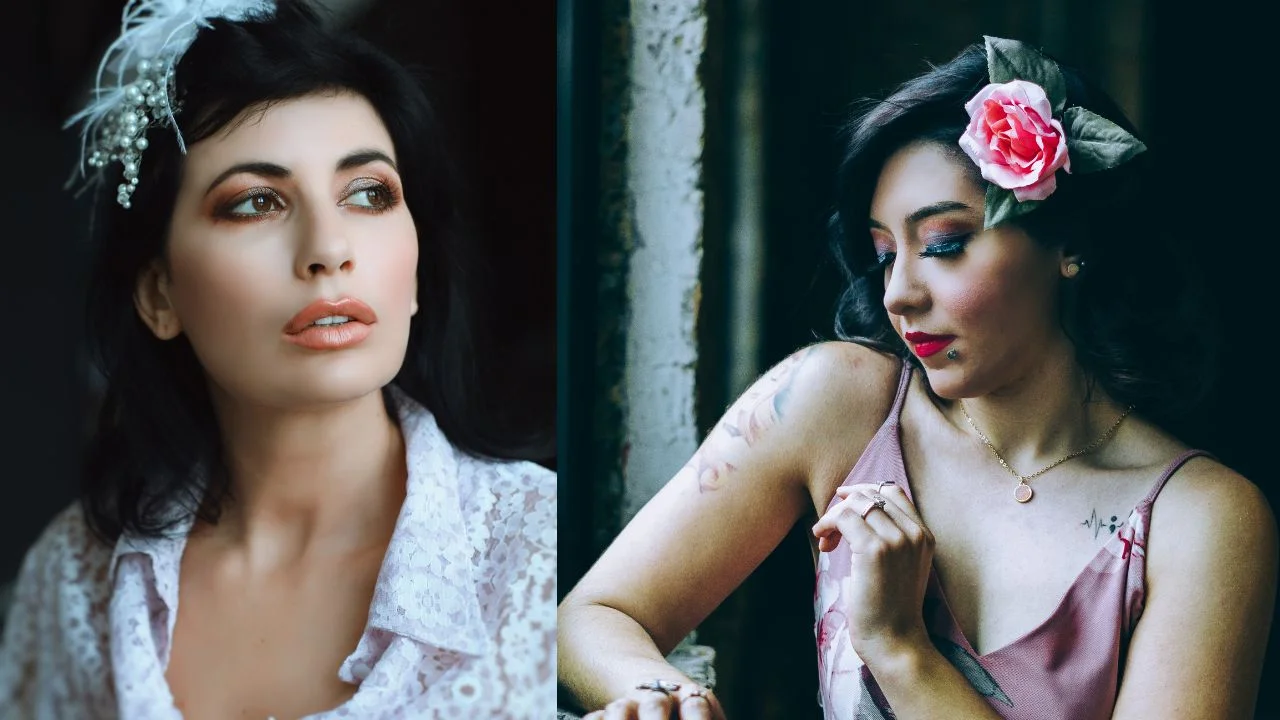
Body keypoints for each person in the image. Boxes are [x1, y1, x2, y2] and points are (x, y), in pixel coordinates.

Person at [557, 36, 1277, 720]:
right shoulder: (839, 403)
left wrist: (900, 650)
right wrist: (661, 695)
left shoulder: (1201, 521)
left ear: (1069, 242)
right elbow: (592, 616)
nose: (899, 292)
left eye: (944, 244)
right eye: (883, 254)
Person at [0, 1, 555, 718]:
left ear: (417, 270)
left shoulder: (540, 553)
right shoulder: (77, 579)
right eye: (257, 203)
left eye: (368, 193)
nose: (329, 249)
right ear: (158, 294)